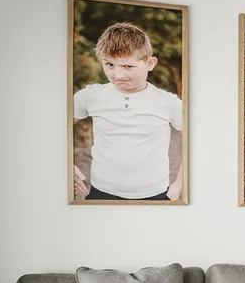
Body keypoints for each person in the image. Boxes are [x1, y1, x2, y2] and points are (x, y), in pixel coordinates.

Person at [72, 22, 185, 202]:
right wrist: (66, 165)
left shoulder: (168, 102)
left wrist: (180, 183)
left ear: (150, 63)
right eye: (110, 65)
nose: (117, 75)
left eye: (128, 67)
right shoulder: (91, 96)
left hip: (154, 195)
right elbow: (54, 126)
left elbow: (197, 141)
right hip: (101, 193)